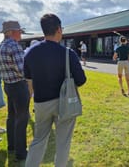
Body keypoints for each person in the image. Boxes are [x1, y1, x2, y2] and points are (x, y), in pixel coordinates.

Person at [24, 13, 86, 167]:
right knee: (63, 143)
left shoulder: (30, 53)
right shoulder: (68, 53)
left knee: (38, 141)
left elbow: (29, 82)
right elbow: (81, 80)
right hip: (63, 103)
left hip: (41, 103)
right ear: (58, 29)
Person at [0, 21, 30, 161]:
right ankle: (21, 152)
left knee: (12, 116)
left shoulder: (0, 46)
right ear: (11, 32)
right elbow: (22, 70)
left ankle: (12, 146)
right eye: (19, 31)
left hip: (8, 84)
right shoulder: (14, 46)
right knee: (22, 118)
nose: (20, 33)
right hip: (18, 85)